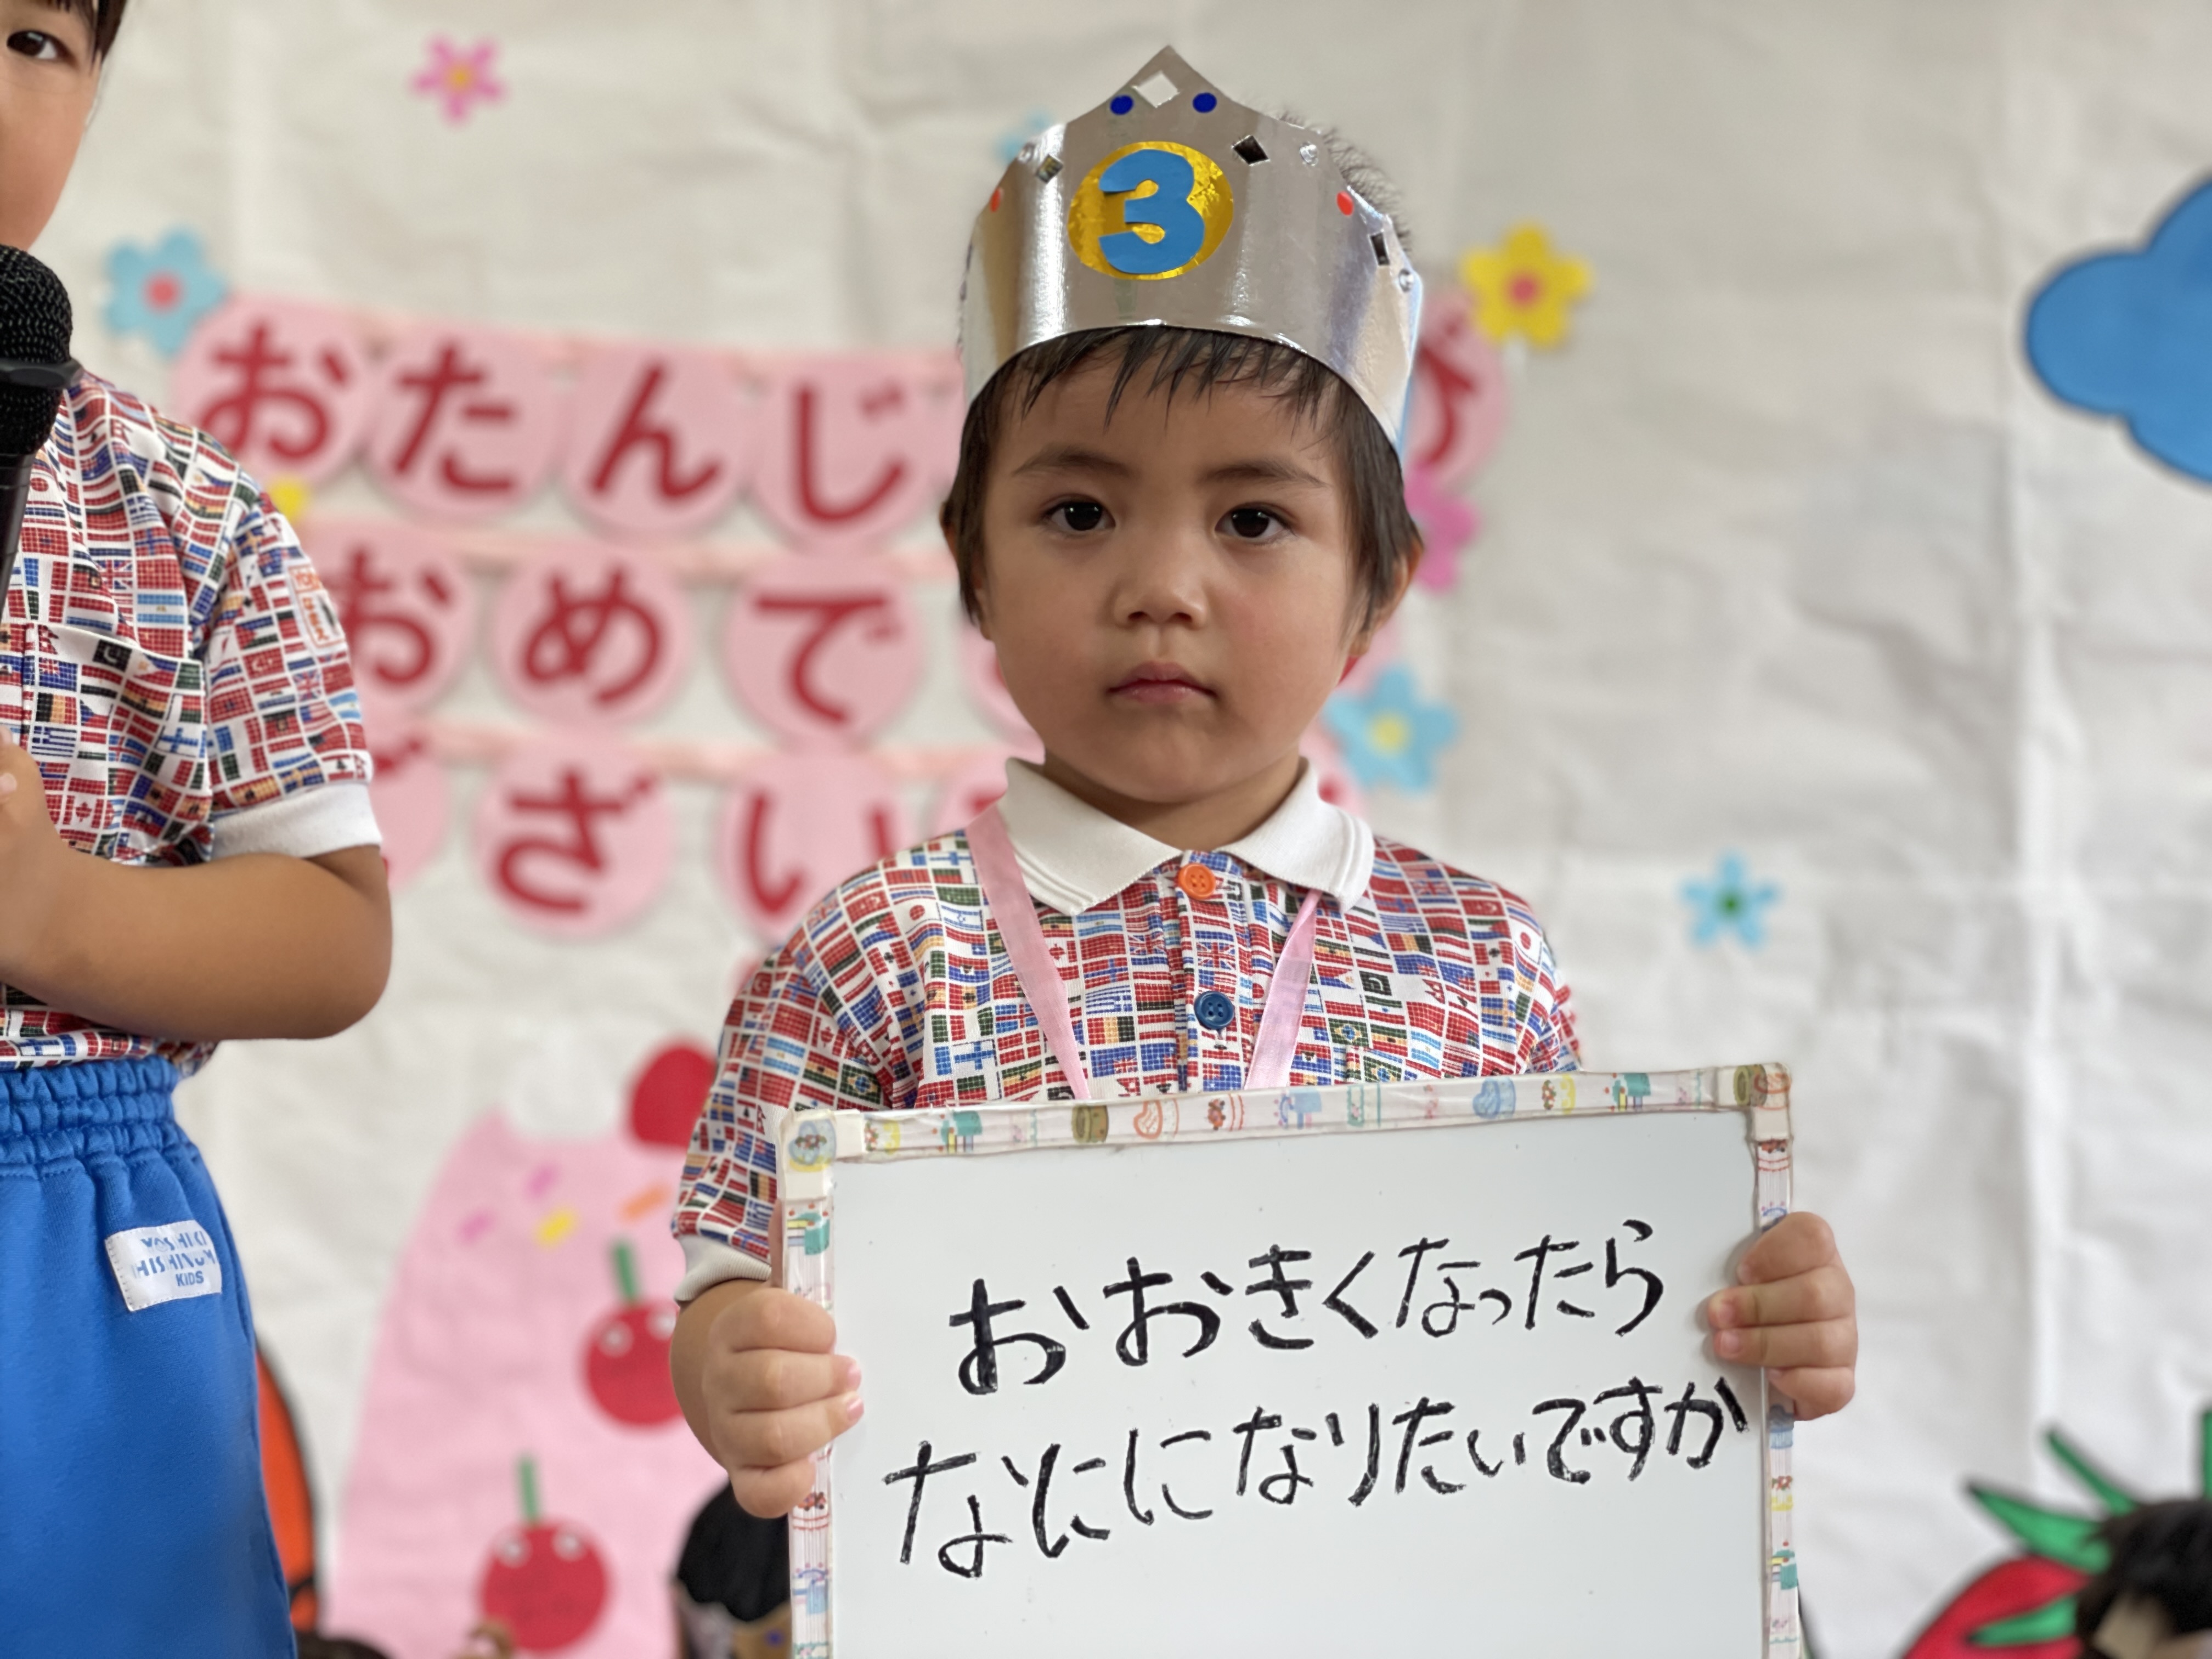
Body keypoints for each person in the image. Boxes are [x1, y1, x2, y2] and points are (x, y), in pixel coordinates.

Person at [669, 46, 1856, 1528]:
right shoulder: (872, 951)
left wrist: (1748, 1321)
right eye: (1079, 512)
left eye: (1252, 520)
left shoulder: (1481, 963)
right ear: (972, 559)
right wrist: (736, 1367)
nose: (1162, 587)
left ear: (1378, 587)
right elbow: (732, 1280)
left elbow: (1579, 1316)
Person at [0, 2, 390, 1651]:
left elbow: (332, 927)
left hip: (54, 1213)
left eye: (32, 39)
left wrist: (49, 913)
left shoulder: (178, 507)